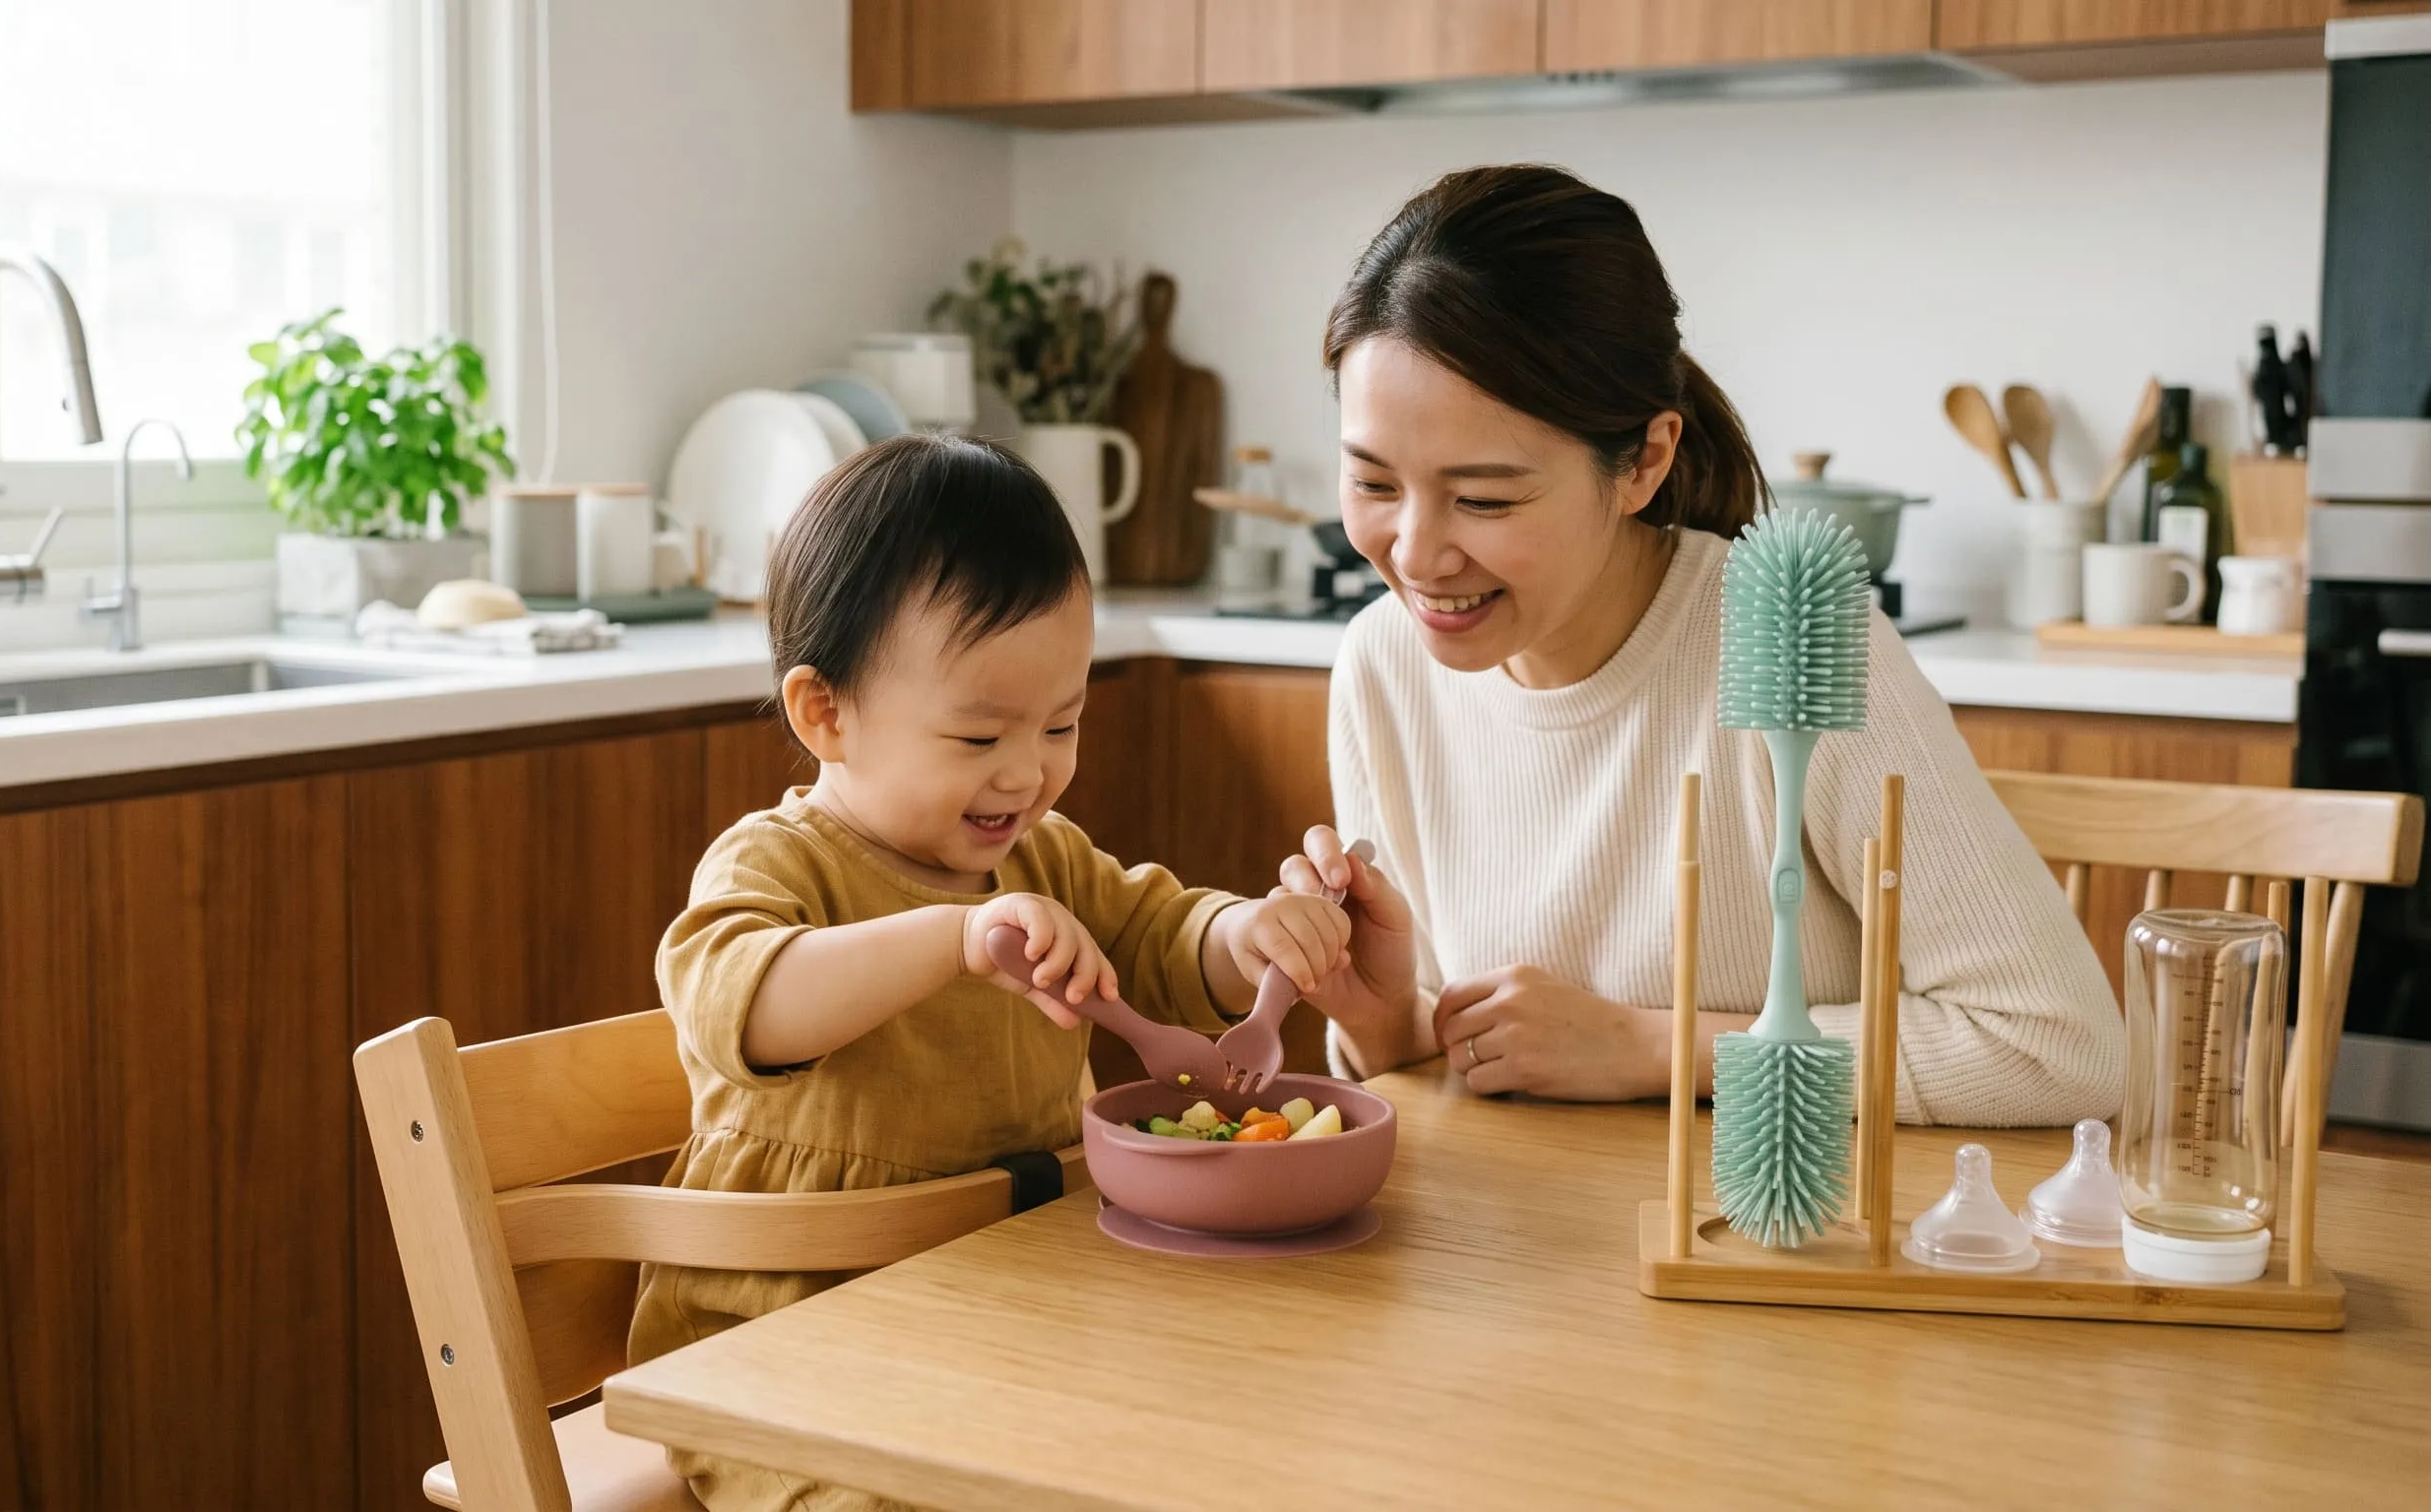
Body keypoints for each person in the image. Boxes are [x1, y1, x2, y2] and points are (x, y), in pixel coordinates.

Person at [1278, 164, 2122, 1126]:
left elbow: (2059, 1052)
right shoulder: (1382, 663)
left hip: (1767, 1246)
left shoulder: (1790, 633)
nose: (1416, 554)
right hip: (1519, 1241)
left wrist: (1651, 1046)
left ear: (1642, 461)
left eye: (1484, 498)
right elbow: (1461, 1061)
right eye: (1373, 485)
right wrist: (1384, 1023)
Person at [629, 433, 1351, 1512]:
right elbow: (747, 1003)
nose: (1028, 770)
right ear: (825, 713)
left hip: (1012, 1307)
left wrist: (1247, 935)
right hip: (786, 1344)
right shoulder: (775, 863)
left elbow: (1156, 931)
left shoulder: (1040, 854)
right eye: (976, 736)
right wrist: (951, 937)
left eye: (1061, 723)